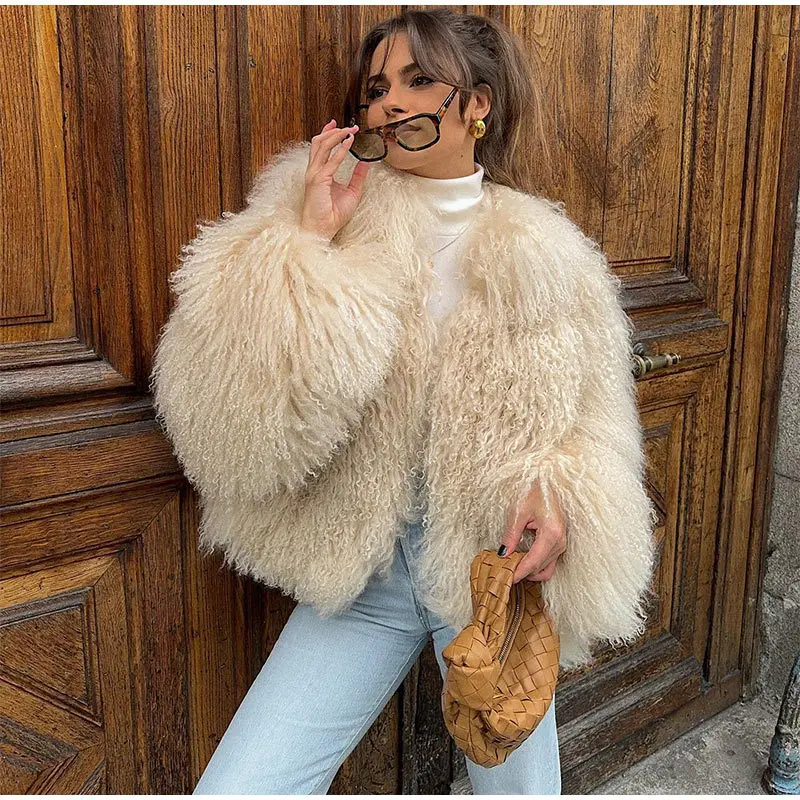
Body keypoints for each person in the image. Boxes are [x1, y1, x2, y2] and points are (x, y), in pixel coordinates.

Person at [149, 8, 658, 795]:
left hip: (492, 577)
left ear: (478, 104)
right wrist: (308, 242)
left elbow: (595, 421)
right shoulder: (320, 206)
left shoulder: (551, 254)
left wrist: (563, 496)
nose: (388, 101)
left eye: (418, 80)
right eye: (377, 86)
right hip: (365, 572)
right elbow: (227, 415)